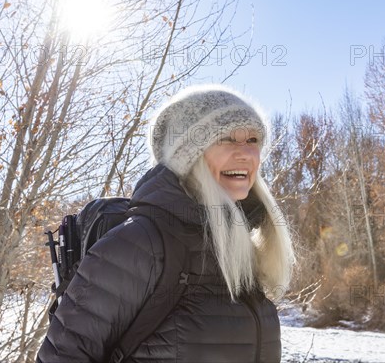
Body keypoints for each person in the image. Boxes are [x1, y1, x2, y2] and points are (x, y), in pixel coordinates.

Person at [37, 84, 295, 362]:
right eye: (227, 139)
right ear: (187, 156)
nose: (246, 154)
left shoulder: (245, 248)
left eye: (253, 140)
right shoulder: (139, 243)